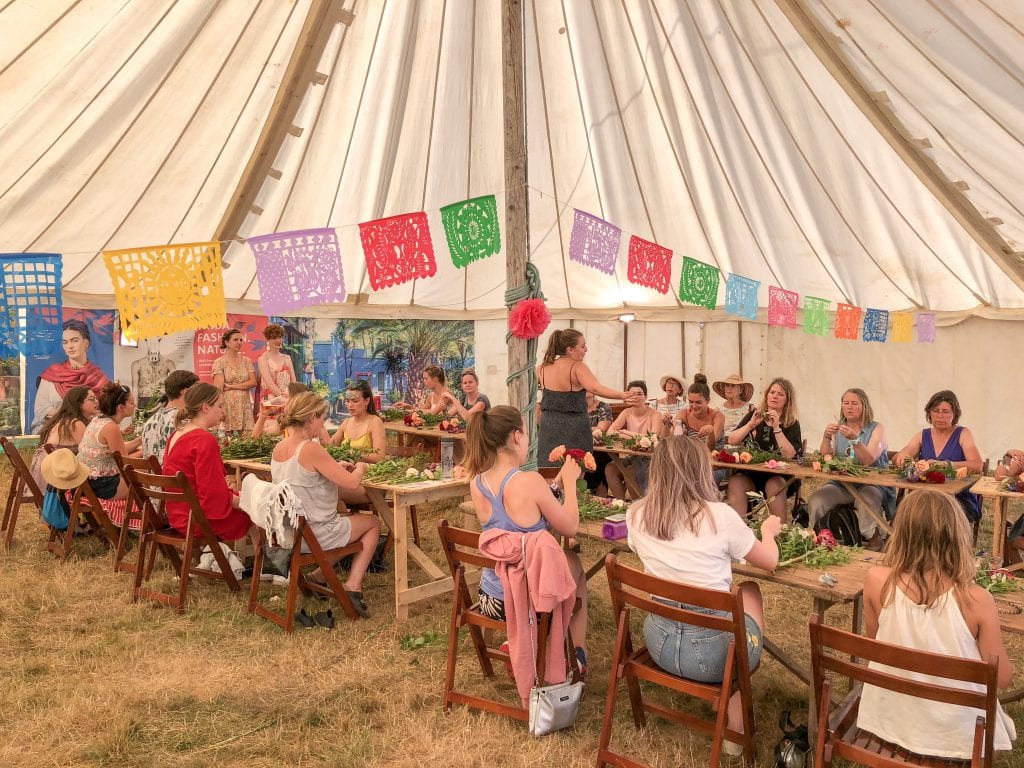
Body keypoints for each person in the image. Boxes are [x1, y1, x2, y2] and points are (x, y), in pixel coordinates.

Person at [627, 437, 782, 757]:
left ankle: (730, 712)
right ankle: (734, 729)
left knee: (729, 612)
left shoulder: (638, 514)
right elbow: (769, 561)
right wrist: (768, 531)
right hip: (713, 656)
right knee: (749, 593)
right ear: (701, 471)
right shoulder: (720, 516)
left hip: (660, 644)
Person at [858, 491, 1016, 759]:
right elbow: (1002, 679)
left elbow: (878, 646)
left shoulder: (876, 582)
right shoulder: (975, 599)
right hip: (957, 737)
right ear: (957, 536)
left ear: (902, 534)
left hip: (892, 721)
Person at [465, 405, 589, 674]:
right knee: (575, 565)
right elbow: (570, 528)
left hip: (492, 596)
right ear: (517, 437)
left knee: (559, 562)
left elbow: (522, 512)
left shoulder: (476, 482)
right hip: (526, 600)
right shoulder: (528, 480)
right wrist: (569, 484)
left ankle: (520, 641)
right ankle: (577, 654)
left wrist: (554, 483)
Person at [271, 392, 380, 618]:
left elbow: (305, 475)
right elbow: (351, 483)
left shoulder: (279, 448)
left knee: (344, 521)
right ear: (312, 417)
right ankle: (353, 585)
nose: (323, 424)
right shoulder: (310, 448)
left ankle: (320, 575)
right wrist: (361, 467)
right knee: (372, 523)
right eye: (322, 418)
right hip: (316, 534)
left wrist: (333, 465)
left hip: (289, 535)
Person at [162, 383, 256, 543]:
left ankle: (249, 561)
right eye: (220, 406)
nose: (223, 412)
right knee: (258, 513)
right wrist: (247, 504)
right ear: (205, 408)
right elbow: (213, 496)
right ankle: (266, 564)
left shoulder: (177, 434)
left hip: (178, 515)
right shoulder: (204, 439)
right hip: (197, 520)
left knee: (248, 501)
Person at [536, 329, 639, 467]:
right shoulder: (578, 367)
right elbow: (595, 388)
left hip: (548, 427)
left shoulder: (541, 368)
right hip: (575, 428)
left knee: (549, 469)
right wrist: (621, 395)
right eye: (583, 346)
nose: (586, 350)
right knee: (576, 470)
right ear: (570, 349)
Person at [808, 389, 895, 549]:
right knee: (817, 500)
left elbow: (868, 461)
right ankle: (819, 537)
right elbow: (825, 457)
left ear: (864, 406)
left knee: (866, 500)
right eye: (845, 403)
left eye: (854, 403)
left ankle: (874, 540)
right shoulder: (839, 429)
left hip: (872, 483)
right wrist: (826, 436)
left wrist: (855, 439)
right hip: (843, 483)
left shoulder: (877, 429)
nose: (849, 407)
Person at [891, 390, 982, 522]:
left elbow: (977, 465)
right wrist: (903, 457)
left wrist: (945, 464)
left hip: (957, 499)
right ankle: (906, 541)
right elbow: (899, 457)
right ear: (929, 413)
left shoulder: (963, 434)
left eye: (945, 411)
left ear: (954, 414)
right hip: (925, 495)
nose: (940, 415)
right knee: (907, 512)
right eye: (936, 410)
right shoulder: (923, 435)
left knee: (930, 515)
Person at [726, 378, 802, 523]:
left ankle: (779, 533)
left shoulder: (791, 423)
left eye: (780, 394)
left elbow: (790, 455)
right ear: (766, 395)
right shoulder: (754, 415)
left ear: (787, 400)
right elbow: (732, 440)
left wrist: (777, 428)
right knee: (736, 481)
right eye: (772, 392)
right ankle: (740, 529)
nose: (774, 396)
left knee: (774, 484)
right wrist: (750, 425)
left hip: (780, 476)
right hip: (752, 473)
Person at [31, 319, 110, 433]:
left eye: (74, 340)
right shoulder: (52, 374)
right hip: (54, 435)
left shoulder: (99, 378)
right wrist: (73, 415)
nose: (70, 346)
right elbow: (41, 410)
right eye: (65, 342)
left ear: (86, 343)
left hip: (91, 436)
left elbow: (105, 412)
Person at [78, 382, 143, 500]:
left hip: (89, 481)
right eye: (132, 403)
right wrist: (145, 453)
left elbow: (117, 450)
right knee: (145, 471)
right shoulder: (111, 427)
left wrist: (141, 440)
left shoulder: (98, 420)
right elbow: (124, 462)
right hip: (102, 485)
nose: (135, 405)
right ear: (120, 407)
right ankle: (150, 514)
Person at [29, 386, 97, 493]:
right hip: (55, 471)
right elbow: (92, 450)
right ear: (78, 403)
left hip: (51, 467)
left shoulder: (68, 420)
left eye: (96, 399)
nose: (96, 402)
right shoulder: (75, 423)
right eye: (91, 399)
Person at [605, 380, 661, 499]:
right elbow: (610, 432)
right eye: (632, 394)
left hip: (649, 458)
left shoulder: (655, 414)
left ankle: (638, 505)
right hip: (632, 455)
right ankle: (621, 504)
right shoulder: (626, 412)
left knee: (630, 472)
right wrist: (636, 436)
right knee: (610, 469)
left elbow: (652, 439)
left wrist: (627, 433)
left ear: (646, 397)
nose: (636, 397)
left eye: (639, 394)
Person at [139, 370, 199, 463]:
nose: (198, 395)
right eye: (196, 391)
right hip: (177, 476)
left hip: (153, 477)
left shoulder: (149, 422)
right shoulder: (184, 422)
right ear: (186, 391)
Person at [211, 329, 257, 434]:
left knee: (247, 439)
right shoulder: (219, 362)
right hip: (227, 404)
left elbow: (253, 382)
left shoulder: (246, 360)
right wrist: (220, 408)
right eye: (235, 339)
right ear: (227, 342)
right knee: (227, 439)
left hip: (244, 404)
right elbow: (219, 388)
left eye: (241, 340)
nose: (239, 342)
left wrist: (232, 387)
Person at [330, 380, 386, 463]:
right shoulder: (346, 422)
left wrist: (352, 455)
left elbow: (379, 457)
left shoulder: (375, 422)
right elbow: (330, 446)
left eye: (355, 401)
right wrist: (320, 430)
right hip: (345, 470)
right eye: (348, 401)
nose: (350, 405)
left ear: (367, 401)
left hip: (367, 472)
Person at [665, 374, 724, 450]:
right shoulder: (684, 414)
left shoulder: (717, 416)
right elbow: (671, 439)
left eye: (698, 402)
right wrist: (668, 425)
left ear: (708, 400)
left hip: (714, 457)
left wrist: (711, 433)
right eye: (691, 402)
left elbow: (709, 448)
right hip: (692, 456)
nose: (694, 406)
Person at [131, 339, 176, 411]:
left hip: (162, 399)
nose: (153, 344)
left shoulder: (169, 363)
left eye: (158, 340)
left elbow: (175, 384)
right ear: (146, 341)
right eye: (148, 340)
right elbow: (135, 387)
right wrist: (135, 406)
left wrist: (172, 403)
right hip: (144, 399)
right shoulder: (137, 364)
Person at [257, 323, 296, 401]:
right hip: (270, 400)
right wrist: (283, 398)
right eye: (274, 338)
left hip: (288, 399)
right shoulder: (263, 359)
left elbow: (294, 382)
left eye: (280, 337)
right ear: (268, 339)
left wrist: (292, 398)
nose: (279, 340)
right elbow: (269, 384)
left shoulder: (287, 358)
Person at [584, 391, 613, 494]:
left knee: (597, 459)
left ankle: (600, 496)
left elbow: (602, 429)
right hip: (582, 446)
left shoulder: (603, 407)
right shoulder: (575, 407)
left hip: (600, 448)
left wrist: (580, 428)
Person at [713, 373, 754, 441]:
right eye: (727, 385)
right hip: (722, 447)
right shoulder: (718, 410)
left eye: (733, 386)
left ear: (740, 390)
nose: (729, 388)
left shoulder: (750, 408)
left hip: (743, 447)